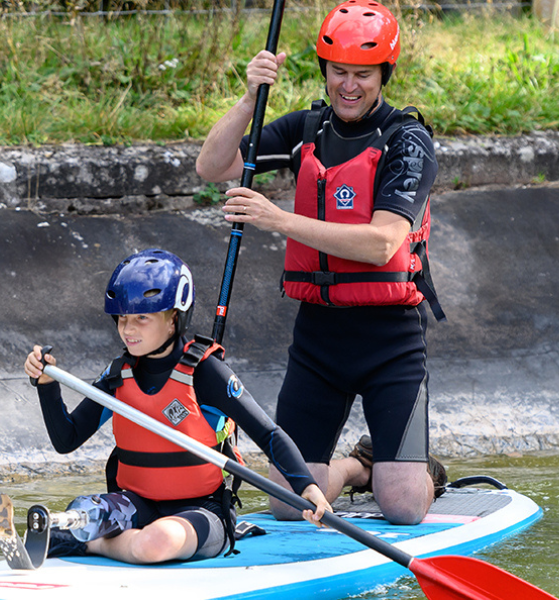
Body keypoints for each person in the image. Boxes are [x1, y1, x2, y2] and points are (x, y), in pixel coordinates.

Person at [195, 0, 447, 526]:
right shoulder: (306, 130)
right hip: (319, 339)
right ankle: (359, 468)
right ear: (324, 71)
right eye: (338, 72)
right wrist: (248, 98)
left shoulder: (408, 140)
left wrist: (277, 219)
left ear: (384, 75)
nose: (348, 86)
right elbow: (211, 166)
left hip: (391, 341)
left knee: (402, 508)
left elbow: (382, 244)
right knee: (286, 503)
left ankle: (411, 475)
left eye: (362, 74)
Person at [24, 248, 332, 564]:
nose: (128, 330)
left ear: (173, 318)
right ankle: (81, 532)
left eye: (142, 318)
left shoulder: (206, 372)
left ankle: (93, 544)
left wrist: (306, 486)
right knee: (84, 511)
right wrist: (47, 388)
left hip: (201, 511)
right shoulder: (119, 374)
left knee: (156, 543)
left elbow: (268, 434)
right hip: (135, 504)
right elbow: (67, 440)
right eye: (123, 318)